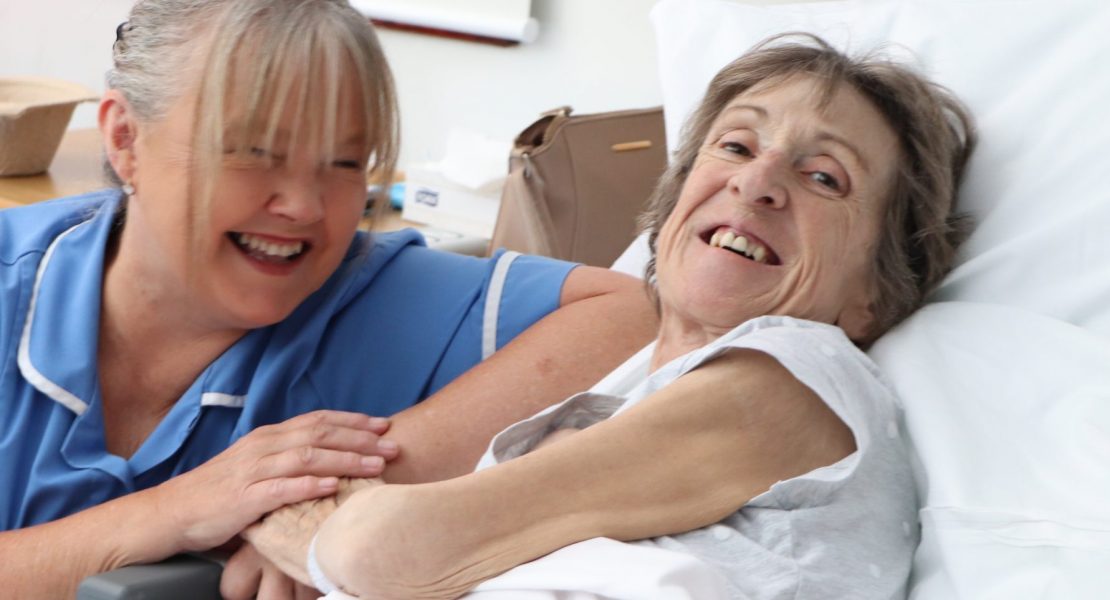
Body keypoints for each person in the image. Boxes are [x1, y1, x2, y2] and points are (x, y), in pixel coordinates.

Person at [247, 34, 976, 599]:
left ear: (874, 294)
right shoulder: (623, 399)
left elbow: (381, 550)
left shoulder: (804, 378)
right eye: (736, 145)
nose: (757, 183)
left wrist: (287, 515)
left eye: (824, 177)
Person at [0, 1, 658, 597]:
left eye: (345, 163)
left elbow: (633, 315)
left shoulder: (377, 296)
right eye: (255, 152)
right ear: (123, 139)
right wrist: (174, 511)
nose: (305, 207)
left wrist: (348, 492)